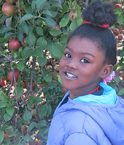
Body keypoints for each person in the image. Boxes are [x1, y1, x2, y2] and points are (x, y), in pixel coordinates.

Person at [47, 1, 124, 145]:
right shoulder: (109, 100)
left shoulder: (79, 132)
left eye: (84, 60)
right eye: (68, 55)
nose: (71, 64)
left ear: (105, 71)